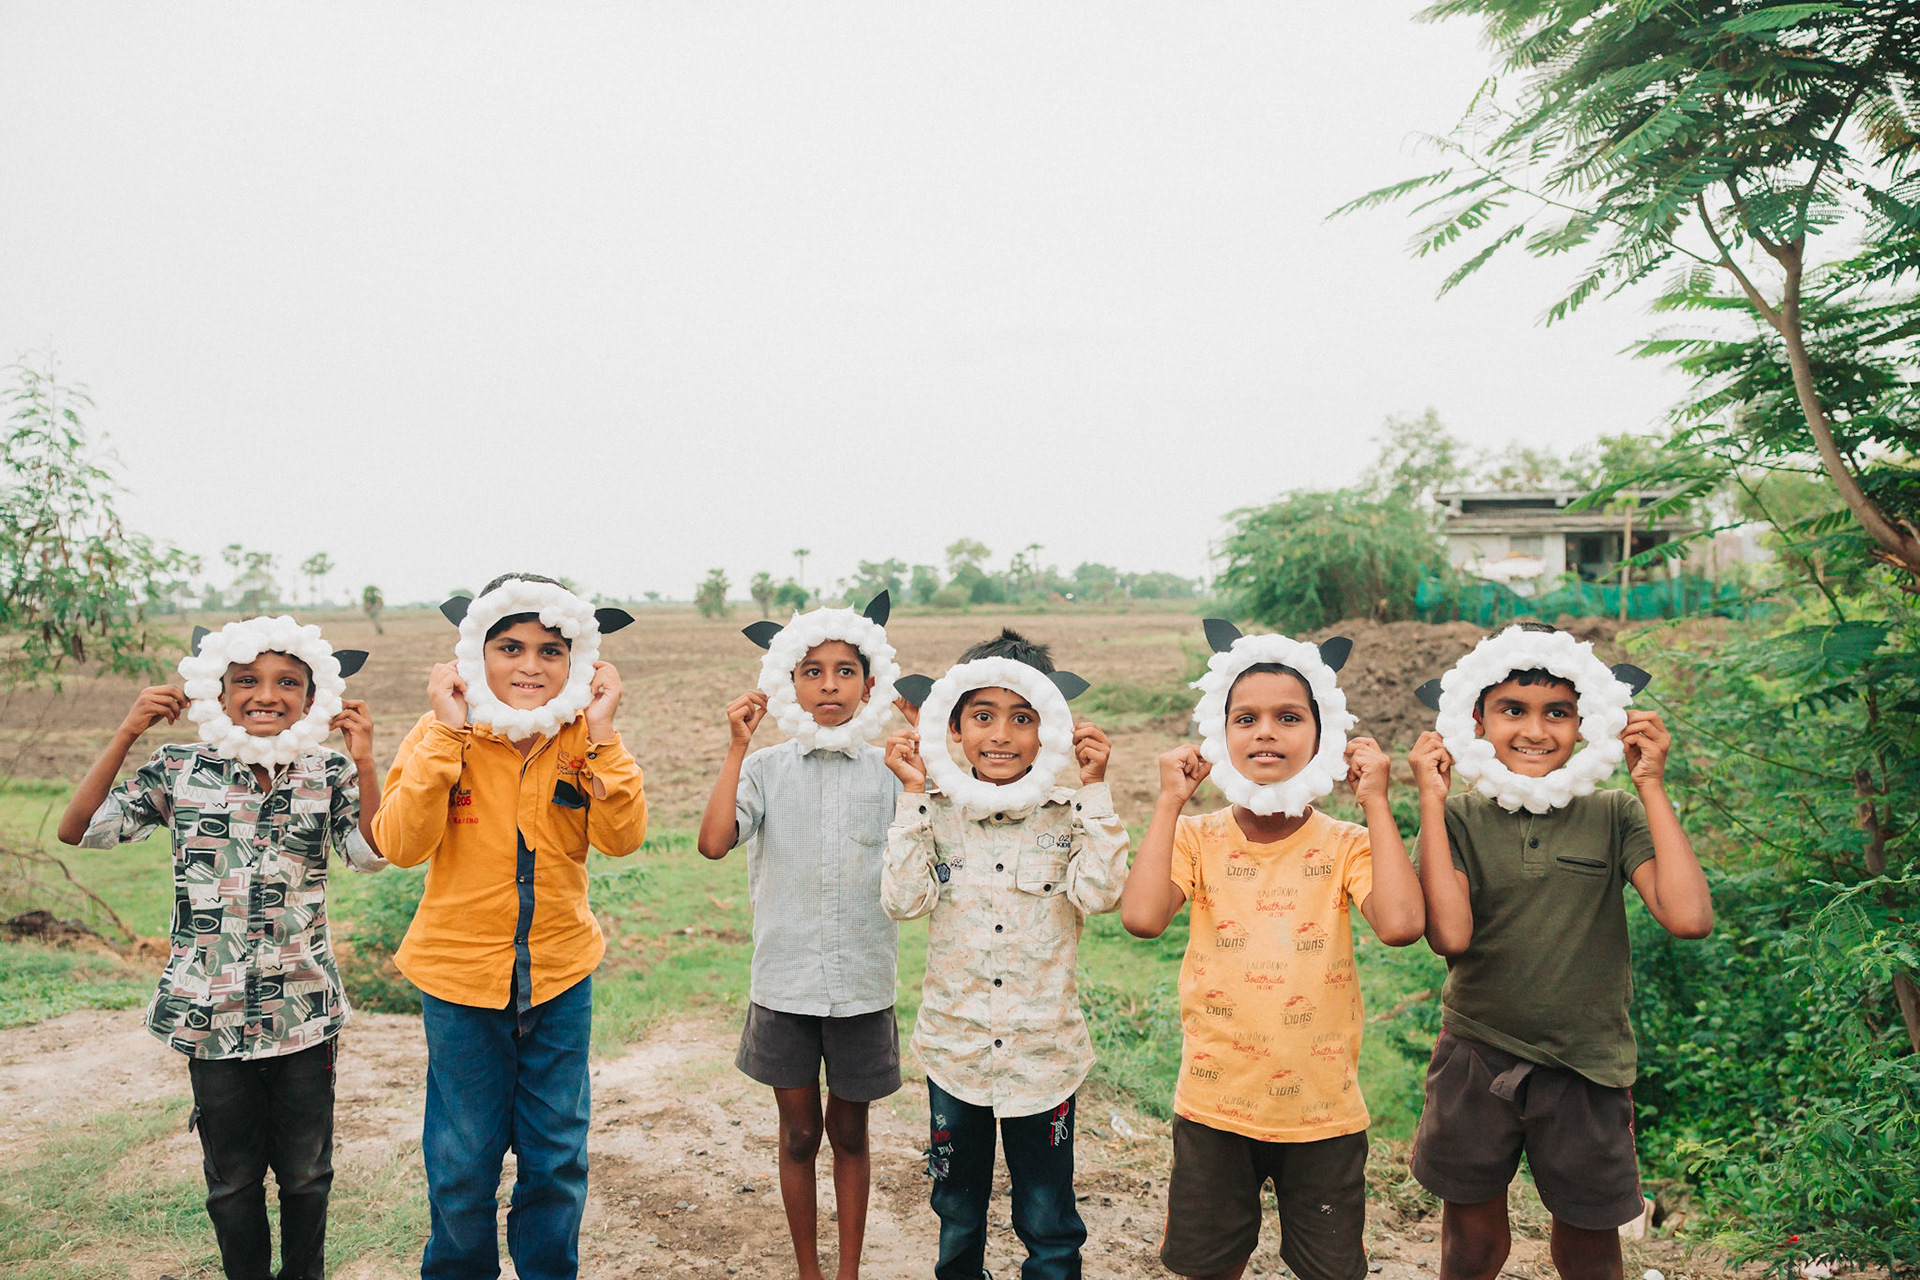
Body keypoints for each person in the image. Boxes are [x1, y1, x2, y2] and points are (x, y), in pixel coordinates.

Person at [56, 615, 385, 1280]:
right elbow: (79, 829)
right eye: (247, 681)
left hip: (303, 1014)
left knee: (307, 1174)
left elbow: (372, 853)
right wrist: (127, 732)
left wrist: (368, 759)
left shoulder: (328, 771)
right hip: (210, 1016)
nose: (266, 694)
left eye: (287, 682)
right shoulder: (180, 769)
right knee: (231, 1181)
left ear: (313, 696)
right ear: (219, 691)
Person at [1406, 622, 1713, 1280]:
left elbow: (1688, 917)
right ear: (1477, 721)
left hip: (1588, 1066)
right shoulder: (1457, 818)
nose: (1535, 730)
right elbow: (1450, 935)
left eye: (1558, 712)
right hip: (1475, 1056)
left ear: (1586, 723)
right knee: (1472, 1244)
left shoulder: (1613, 814)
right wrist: (1432, 800)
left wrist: (1651, 784)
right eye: (1512, 710)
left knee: (1590, 1248)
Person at [1118, 625, 1424, 1280]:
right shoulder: (1195, 837)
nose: (1265, 733)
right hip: (1214, 1106)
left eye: (1288, 717)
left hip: (1324, 1112)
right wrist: (1170, 801)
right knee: (1207, 1266)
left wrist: (1375, 801)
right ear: (1219, 732)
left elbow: (1401, 925)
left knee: (1330, 1270)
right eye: (1246, 718)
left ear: (1322, 734)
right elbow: (1142, 918)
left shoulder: (1347, 843)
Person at [372, 573, 645, 1280]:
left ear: (578, 660)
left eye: (551, 651)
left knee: (557, 1156)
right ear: (475, 653)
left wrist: (605, 733)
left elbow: (622, 838)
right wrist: (445, 733)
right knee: (463, 1158)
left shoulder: (583, 737)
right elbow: (398, 844)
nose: (531, 666)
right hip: (460, 980)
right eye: (510, 648)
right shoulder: (441, 733)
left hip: (559, 975)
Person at [880, 628, 1127, 1280]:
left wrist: (1096, 788)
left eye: (1023, 718)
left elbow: (1102, 895)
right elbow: (903, 901)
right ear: (953, 726)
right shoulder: (934, 812)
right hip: (955, 1055)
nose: (1001, 735)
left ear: (1051, 730)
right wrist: (912, 794)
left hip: (1044, 1061)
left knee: (1048, 1215)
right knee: (956, 1205)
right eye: (983, 716)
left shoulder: (1069, 815)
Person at [696, 595, 904, 1280]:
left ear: (870, 686)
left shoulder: (890, 772)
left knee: (850, 1131)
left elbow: (933, 845)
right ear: (790, 684)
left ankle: (848, 1272)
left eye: (846, 672)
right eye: (812, 672)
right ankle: (808, 1271)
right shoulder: (765, 770)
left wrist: (926, 748)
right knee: (799, 1134)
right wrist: (737, 746)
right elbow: (713, 842)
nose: (829, 686)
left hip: (862, 986)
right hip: (784, 985)